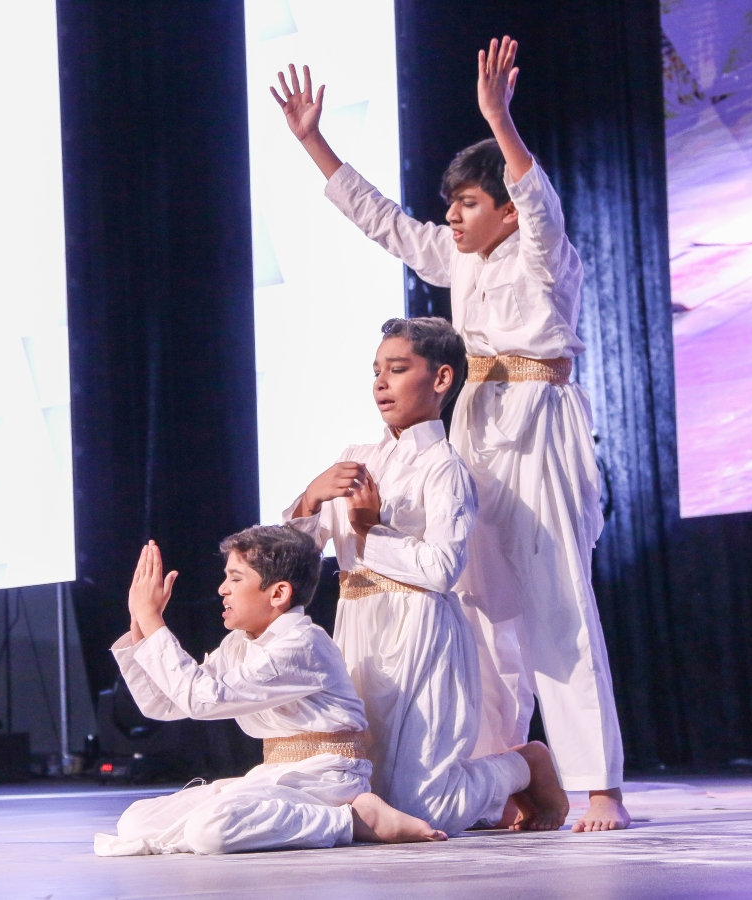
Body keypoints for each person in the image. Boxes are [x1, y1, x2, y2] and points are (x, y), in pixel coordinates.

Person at [272, 36, 628, 831]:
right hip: (476, 429)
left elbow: (538, 204)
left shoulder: (545, 257)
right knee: (477, 607)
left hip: (538, 428)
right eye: (453, 204)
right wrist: (313, 144)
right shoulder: (457, 259)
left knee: (556, 605)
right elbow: (385, 224)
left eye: (469, 203)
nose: (453, 217)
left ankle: (598, 781)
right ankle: (507, 773)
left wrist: (499, 121)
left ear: (503, 207)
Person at [286, 317, 568, 835]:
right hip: (357, 628)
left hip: (421, 633)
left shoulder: (444, 467)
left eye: (397, 369)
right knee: (369, 790)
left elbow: (441, 569)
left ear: (440, 380)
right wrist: (308, 498)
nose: (380, 383)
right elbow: (296, 562)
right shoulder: (354, 459)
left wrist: (371, 532)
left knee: (424, 810)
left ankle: (525, 764)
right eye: (376, 371)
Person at [93, 526, 446, 856]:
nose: (222, 589)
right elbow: (167, 704)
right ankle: (297, 818)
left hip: (326, 778)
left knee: (209, 831)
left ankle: (353, 819)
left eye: (235, 578)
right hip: (275, 775)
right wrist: (139, 624)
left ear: (278, 593)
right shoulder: (238, 644)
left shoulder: (302, 644)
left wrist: (154, 621)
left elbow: (202, 698)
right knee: (135, 823)